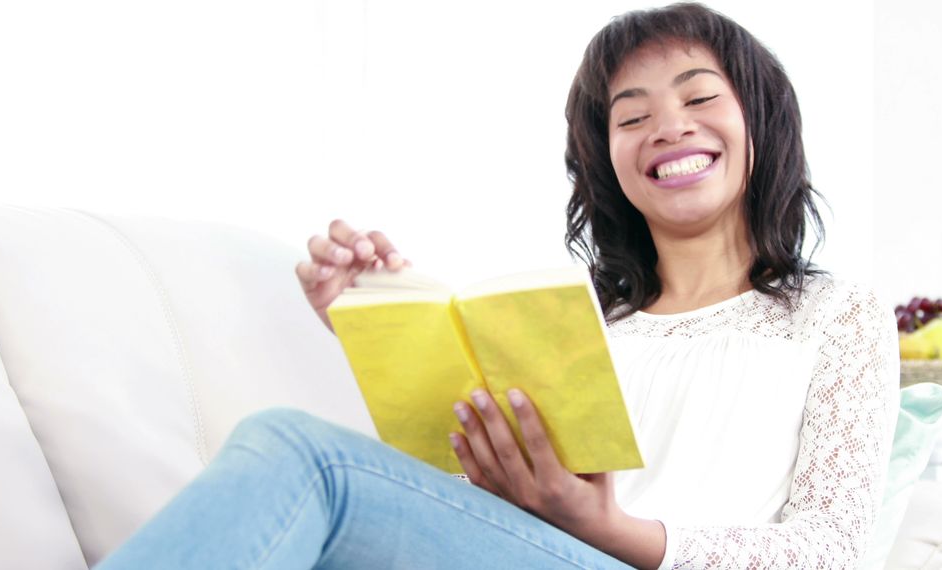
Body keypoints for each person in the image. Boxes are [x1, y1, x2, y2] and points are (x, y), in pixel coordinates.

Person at [97, 3, 898, 569]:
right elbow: (469, 498)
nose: (668, 126)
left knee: (303, 455)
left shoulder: (836, 315)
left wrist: (616, 530)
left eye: (698, 96)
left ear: (761, 120)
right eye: (631, 116)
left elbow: (830, 552)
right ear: (609, 161)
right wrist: (381, 324)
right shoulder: (581, 323)